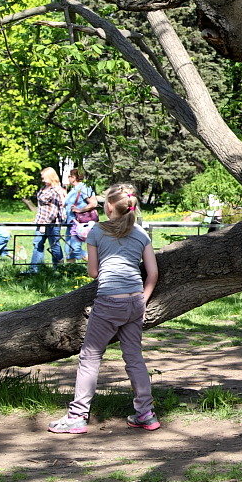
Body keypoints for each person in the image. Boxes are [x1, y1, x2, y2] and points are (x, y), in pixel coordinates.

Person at [48, 184, 160, 434]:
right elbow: (152, 273)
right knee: (134, 357)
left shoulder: (97, 231)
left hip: (109, 300)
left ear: (109, 206)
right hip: (134, 301)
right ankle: (145, 414)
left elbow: (93, 272)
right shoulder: (141, 233)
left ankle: (77, 416)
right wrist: (142, 300)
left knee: (90, 357)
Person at [24, 167, 65, 274]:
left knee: (54, 246)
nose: (43, 180)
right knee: (37, 244)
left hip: (51, 224)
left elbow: (54, 210)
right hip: (41, 222)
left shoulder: (57, 190)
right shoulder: (44, 188)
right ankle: (34, 270)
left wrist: (44, 224)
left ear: (51, 177)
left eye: (44, 178)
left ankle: (59, 269)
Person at [63, 168, 98, 263]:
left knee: (75, 248)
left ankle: (96, 264)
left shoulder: (83, 187)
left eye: (69, 176)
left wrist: (79, 210)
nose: (68, 178)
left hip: (79, 224)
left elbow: (93, 203)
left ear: (74, 177)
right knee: (68, 249)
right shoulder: (74, 189)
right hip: (71, 222)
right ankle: (71, 272)